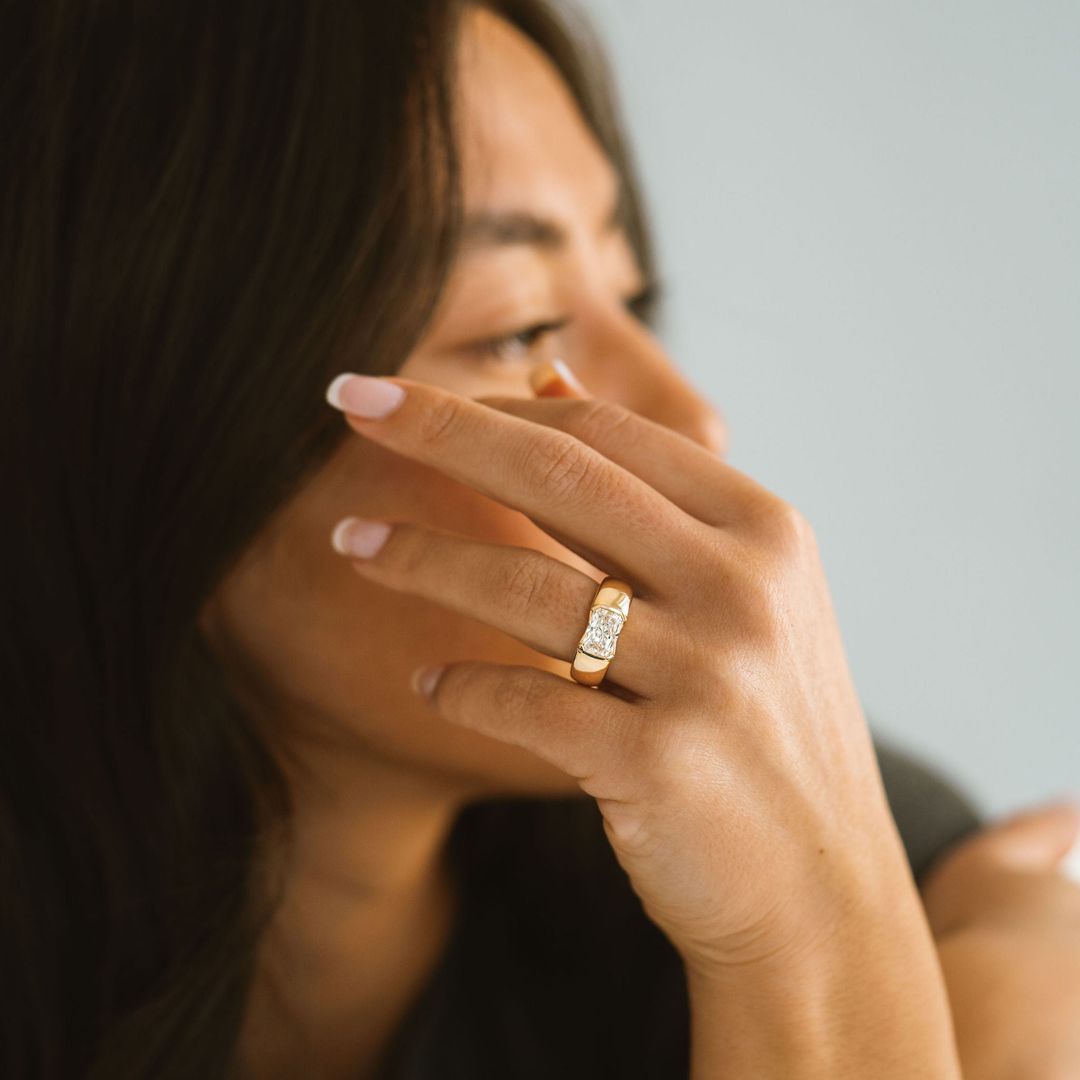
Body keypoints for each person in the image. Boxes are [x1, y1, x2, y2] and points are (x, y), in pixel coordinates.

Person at [3, 2, 1079, 1078]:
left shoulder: (813, 855)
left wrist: (814, 947)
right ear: (129, 418)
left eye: (632, 300)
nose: (693, 422)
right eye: (520, 327)